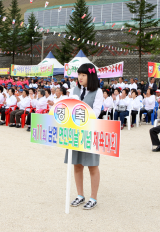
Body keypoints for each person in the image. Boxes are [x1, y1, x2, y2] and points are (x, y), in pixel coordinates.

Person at [65, 63, 102, 210]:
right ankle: (80, 195)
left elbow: (96, 112)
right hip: (75, 131)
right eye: (79, 74)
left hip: (90, 131)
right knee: (77, 164)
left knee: (92, 165)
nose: (80, 78)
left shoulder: (97, 92)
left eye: (83, 75)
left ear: (90, 76)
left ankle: (93, 198)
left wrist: (79, 108)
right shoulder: (74, 89)